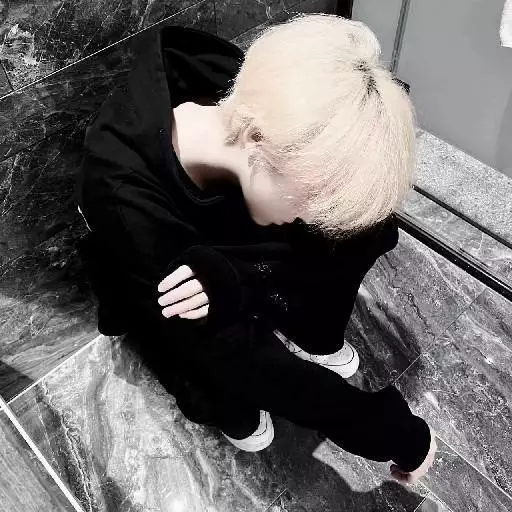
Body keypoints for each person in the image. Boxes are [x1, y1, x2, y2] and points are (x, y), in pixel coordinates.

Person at [76, 13, 437, 484]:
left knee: (366, 229)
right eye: (308, 200)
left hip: (219, 242)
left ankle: (312, 328)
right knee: (211, 355)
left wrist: (235, 273)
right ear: (255, 139)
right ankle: (223, 402)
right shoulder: (122, 195)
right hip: (158, 284)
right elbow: (232, 351)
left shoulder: (275, 100)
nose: (311, 215)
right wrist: (389, 432)